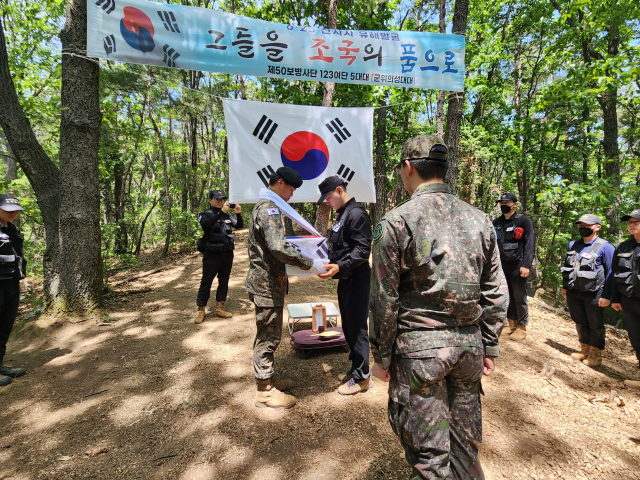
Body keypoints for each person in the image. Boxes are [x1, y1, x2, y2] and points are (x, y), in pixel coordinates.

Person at [369, 135, 508, 479]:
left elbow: (384, 299)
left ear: (407, 168)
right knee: (465, 450)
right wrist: (489, 343)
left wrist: (381, 354)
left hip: (419, 356)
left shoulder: (397, 222)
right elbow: (495, 292)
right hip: (469, 349)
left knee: (429, 459)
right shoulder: (480, 220)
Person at [246, 167, 328, 410]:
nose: (292, 194)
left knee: (269, 333)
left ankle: (268, 378)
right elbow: (278, 247)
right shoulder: (269, 209)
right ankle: (264, 391)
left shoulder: (265, 206)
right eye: (291, 189)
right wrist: (310, 263)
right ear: (279, 182)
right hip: (266, 285)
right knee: (268, 337)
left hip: (268, 283)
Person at [315, 175, 372, 395]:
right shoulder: (343, 215)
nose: (327, 202)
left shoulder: (356, 214)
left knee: (357, 326)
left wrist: (339, 266)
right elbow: (341, 247)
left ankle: (363, 377)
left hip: (357, 278)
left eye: (328, 197)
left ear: (339, 190)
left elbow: (362, 250)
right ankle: (356, 366)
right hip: (346, 277)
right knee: (347, 324)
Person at [560, 214, 614, 367]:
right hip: (574, 291)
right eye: (581, 225)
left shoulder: (606, 247)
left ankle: (595, 355)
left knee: (595, 324)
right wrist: (565, 287)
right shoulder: (573, 245)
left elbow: (611, 272)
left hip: (595, 293)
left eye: (587, 225)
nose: (583, 228)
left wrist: (607, 295)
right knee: (580, 321)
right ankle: (584, 350)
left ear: (597, 227)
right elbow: (568, 266)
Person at [600, 209, 640, 388]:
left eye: (636, 221)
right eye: (630, 222)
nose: (632, 224)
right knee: (636, 338)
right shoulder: (623, 247)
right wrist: (615, 299)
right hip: (629, 300)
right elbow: (615, 275)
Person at [194, 190, 243, 324]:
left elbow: (239, 226)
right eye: (217, 199)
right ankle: (201, 310)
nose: (220, 201)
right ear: (210, 200)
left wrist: (238, 214)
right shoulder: (205, 214)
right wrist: (221, 212)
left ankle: (219, 307)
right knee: (206, 281)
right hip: (212, 254)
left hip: (227, 253)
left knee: (224, 280)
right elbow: (206, 224)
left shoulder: (227, 215)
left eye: (222, 199)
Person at [493, 193, 534, 341]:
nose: (504, 205)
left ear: (515, 204)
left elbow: (529, 244)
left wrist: (525, 265)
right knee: (506, 295)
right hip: (501, 265)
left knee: (519, 296)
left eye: (507, 202)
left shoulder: (523, 221)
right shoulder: (496, 222)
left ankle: (522, 327)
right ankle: (511, 324)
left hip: (518, 264)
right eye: (501, 202)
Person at [0, 194, 27, 387]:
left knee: (4, 327)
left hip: (11, 283)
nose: (13, 213)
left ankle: (0, 365)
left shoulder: (13, 229)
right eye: (7, 210)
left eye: (16, 210)